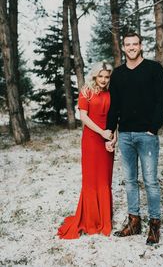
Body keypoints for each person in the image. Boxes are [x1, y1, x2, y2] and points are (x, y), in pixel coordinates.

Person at [106, 31, 163, 245]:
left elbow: (162, 100)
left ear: (141, 46)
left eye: (135, 44)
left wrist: (153, 128)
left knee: (150, 181)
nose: (131, 47)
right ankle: (134, 221)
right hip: (124, 135)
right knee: (130, 181)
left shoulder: (154, 69)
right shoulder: (118, 74)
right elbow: (114, 106)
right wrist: (110, 131)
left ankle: (154, 224)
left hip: (147, 135)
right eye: (127, 44)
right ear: (123, 48)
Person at [57, 61, 115, 239]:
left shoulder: (111, 93)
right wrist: (102, 132)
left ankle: (104, 220)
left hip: (107, 140)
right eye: (101, 76)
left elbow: (115, 117)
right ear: (95, 76)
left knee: (104, 179)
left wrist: (113, 137)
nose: (104, 80)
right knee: (91, 179)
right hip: (91, 140)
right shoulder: (86, 91)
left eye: (107, 77)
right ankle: (90, 221)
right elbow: (84, 118)